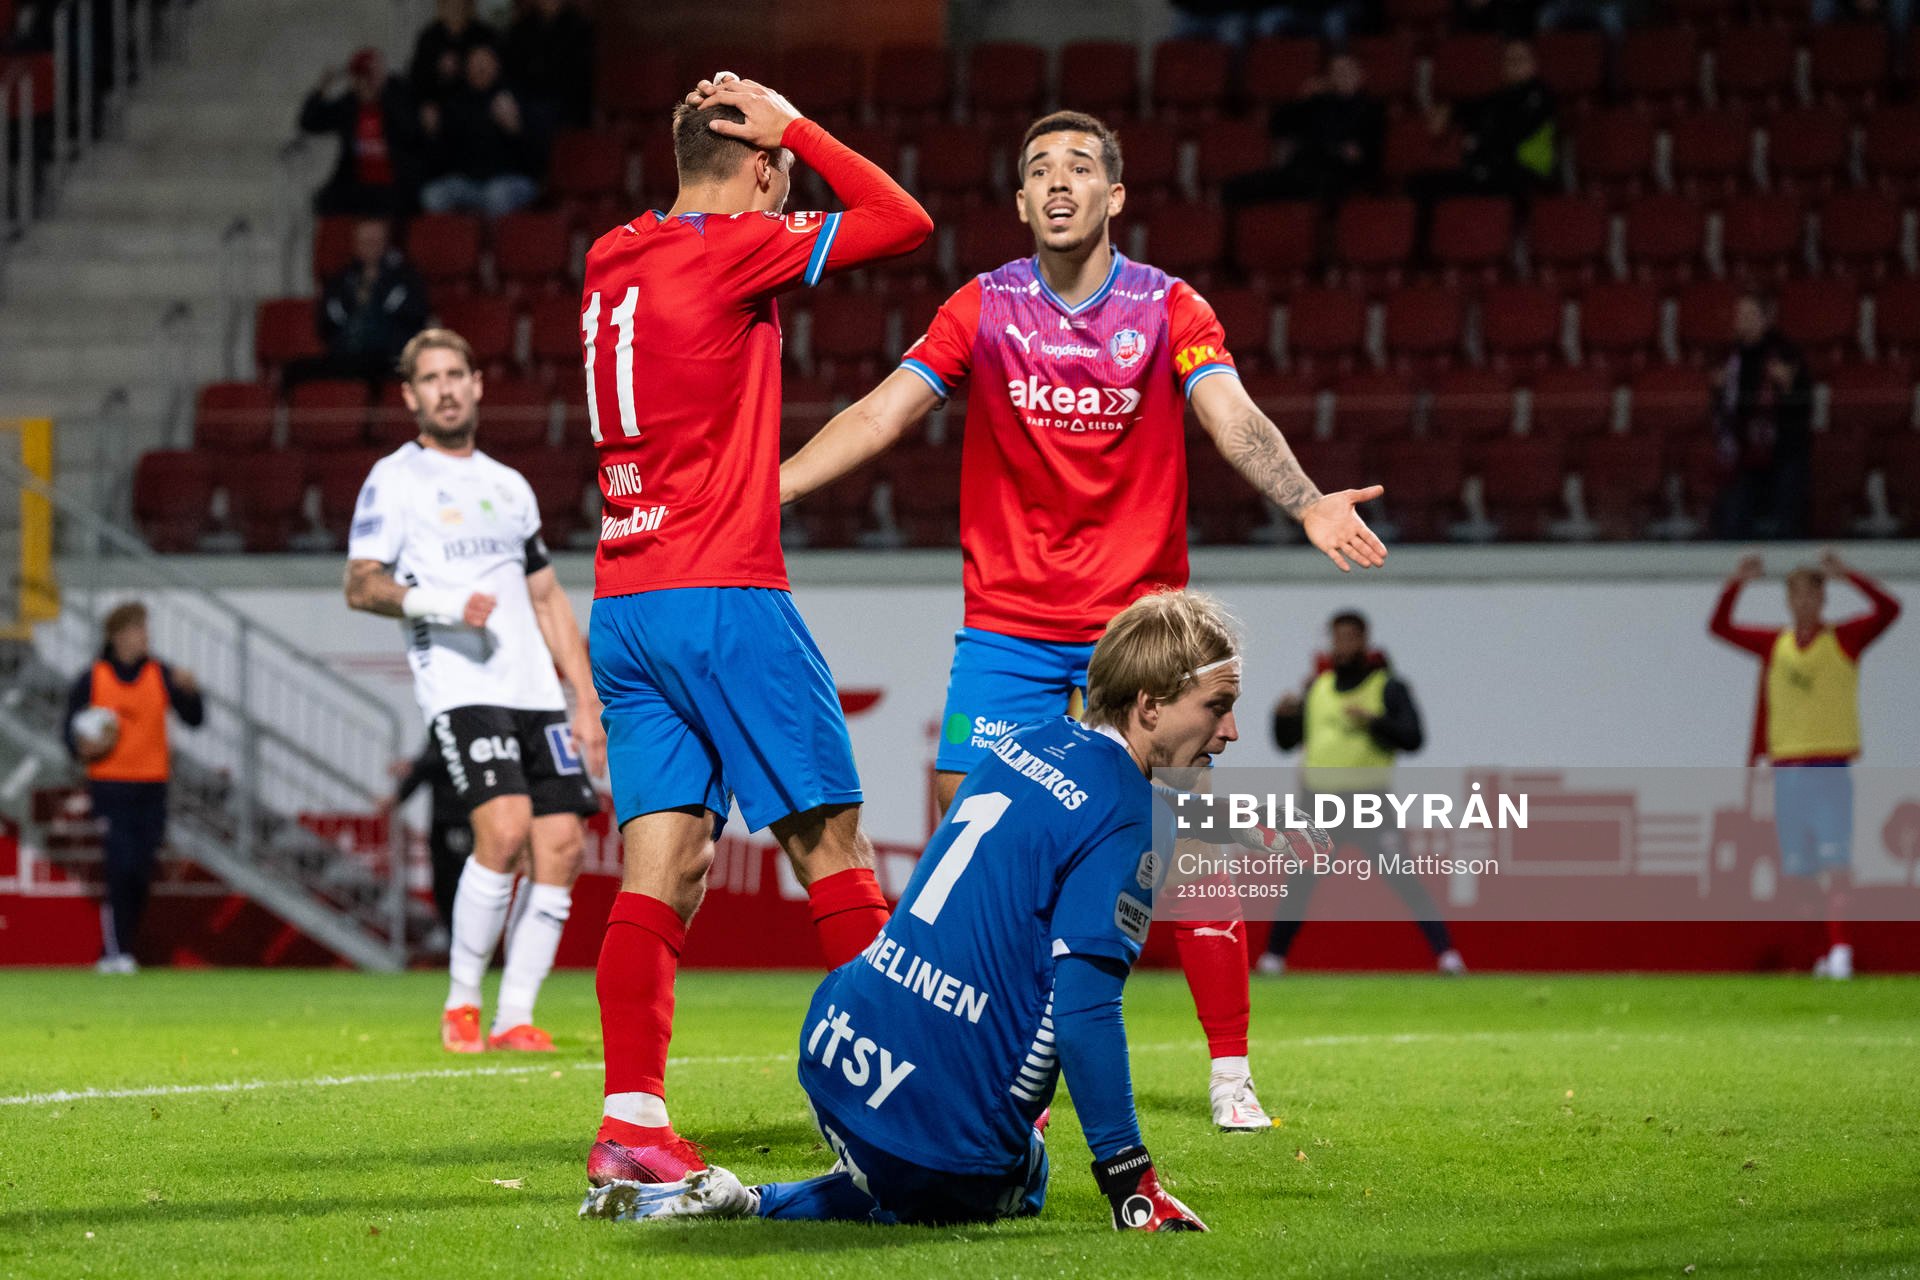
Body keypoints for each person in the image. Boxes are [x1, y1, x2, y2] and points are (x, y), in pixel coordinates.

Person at [779, 109, 1387, 1131]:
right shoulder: (982, 306)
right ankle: (998, 1058)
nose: (1059, 182)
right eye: (1038, 171)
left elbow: (1229, 411)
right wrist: (771, 488)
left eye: (1080, 168)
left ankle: (1230, 1069)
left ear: (1115, 195)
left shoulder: (1167, 306)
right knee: (969, 838)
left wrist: (1308, 498)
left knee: (1185, 844)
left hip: (1141, 630)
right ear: (1021, 203)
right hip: (1010, 625)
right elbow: (885, 408)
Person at [580, 589, 1240, 1231]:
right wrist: (1132, 1183)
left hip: (834, 1048)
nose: (1230, 732)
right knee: (1016, 1178)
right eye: (1218, 707)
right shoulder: (1131, 812)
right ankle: (784, 1196)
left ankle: (756, 1197)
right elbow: (1085, 1011)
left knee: (927, 1155)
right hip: (924, 1112)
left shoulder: (1027, 742)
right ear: (1150, 706)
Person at [579, 75, 932, 1187]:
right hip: (721, 590)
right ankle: (909, 1105)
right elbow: (903, 222)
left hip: (622, 601)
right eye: (777, 165)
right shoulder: (734, 244)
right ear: (762, 169)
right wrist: (803, 128)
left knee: (663, 867)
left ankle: (632, 1120)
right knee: (830, 843)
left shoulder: (608, 255)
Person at [345, 327, 605, 1052]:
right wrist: (440, 605)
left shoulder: (508, 485)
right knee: (506, 829)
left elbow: (548, 598)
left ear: (478, 383)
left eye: (457, 374)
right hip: (463, 686)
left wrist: (584, 700)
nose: (447, 388)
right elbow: (359, 585)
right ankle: (461, 1001)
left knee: (562, 847)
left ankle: (514, 1015)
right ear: (410, 396)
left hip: (535, 692)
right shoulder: (395, 478)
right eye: (431, 379)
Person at [1709, 550, 1901, 979]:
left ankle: (1842, 952)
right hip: (1787, 771)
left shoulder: (1844, 641)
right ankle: (1821, 953)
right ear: (1788, 601)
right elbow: (1719, 628)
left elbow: (1890, 610)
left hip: (1829, 768)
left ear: (1823, 599)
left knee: (1836, 866)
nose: (1804, 604)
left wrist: (1851, 574)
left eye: (1812, 595)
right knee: (1800, 874)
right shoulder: (1774, 645)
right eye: (1796, 596)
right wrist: (1735, 583)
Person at [1257, 610, 1464, 976]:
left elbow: (1414, 738)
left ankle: (1447, 955)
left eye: (1351, 636)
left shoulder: (1386, 686)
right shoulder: (1317, 687)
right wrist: (1282, 717)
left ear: (1365, 640)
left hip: (1369, 802)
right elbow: (1287, 743)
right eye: (1337, 637)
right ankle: (1273, 959)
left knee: (1403, 877)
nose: (1343, 644)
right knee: (1300, 883)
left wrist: (1375, 722)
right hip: (1320, 803)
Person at [63, 602, 205, 974]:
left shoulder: (162, 674)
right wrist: (82, 746)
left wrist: (192, 693)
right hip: (110, 786)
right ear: (118, 635)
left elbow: (195, 719)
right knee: (120, 864)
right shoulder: (93, 677)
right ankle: (115, 952)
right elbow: (69, 729)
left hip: (152, 786)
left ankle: (120, 949)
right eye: (139, 628)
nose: (146, 635)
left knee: (141, 870)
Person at [1711, 291, 1812, 541]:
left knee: (1786, 519)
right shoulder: (1729, 356)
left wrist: (1789, 385)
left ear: (1767, 318)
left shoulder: (1785, 353)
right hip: (1742, 450)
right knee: (1735, 518)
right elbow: (1722, 405)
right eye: (1740, 314)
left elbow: (1802, 402)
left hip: (1783, 449)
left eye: (1750, 314)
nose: (1743, 320)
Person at [1222, 53, 1385, 208]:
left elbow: (1364, 153)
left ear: (1361, 75)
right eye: (1336, 72)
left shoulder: (1371, 109)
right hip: (1303, 168)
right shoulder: (1319, 103)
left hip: (1339, 173)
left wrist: (1346, 151)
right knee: (1236, 187)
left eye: (1347, 71)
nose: (1342, 76)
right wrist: (1303, 99)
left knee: (1317, 188)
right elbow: (1277, 124)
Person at [289, 217, 430, 389]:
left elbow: (415, 317)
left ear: (386, 242)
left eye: (375, 241)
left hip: (388, 356)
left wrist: (377, 294)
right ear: (355, 243)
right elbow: (326, 322)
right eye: (365, 241)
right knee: (295, 371)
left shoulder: (405, 277)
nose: (370, 246)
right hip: (347, 354)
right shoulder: (342, 279)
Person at [418, 44, 544, 217]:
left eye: (485, 62)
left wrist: (514, 128)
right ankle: (455, 243)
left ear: (497, 65)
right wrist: (432, 133)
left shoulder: (515, 99)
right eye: (474, 63)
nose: (480, 68)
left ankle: (492, 244)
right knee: (432, 195)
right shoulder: (456, 104)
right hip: (468, 182)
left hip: (510, 180)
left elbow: (537, 160)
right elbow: (441, 160)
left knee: (496, 194)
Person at [298, 47, 421, 218]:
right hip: (359, 183)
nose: (364, 83)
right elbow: (309, 122)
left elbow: (412, 130)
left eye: (368, 77)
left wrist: (381, 95)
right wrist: (322, 87)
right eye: (359, 77)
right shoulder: (349, 104)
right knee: (325, 200)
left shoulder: (398, 94)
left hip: (393, 182)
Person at [382, 736, 468, 929]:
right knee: (442, 884)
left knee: (460, 883)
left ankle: (467, 940)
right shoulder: (438, 728)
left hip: (460, 819)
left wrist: (414, 765)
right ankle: (453, 938)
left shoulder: (465, 721)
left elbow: (442, 761)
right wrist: (398, 798)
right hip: (441, 820)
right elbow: (423, 770)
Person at [504, 0, 595, 132]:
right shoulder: (521, 28)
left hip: (565, 103)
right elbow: (512, 70)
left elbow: (580, 78)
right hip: (525, 99)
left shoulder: (579, 27)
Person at [409, 0, 500, 112]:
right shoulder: (429, 38)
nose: (456, 8)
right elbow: (416, 80)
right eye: (451, 4)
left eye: (461, 4)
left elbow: (498, 76)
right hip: (441, 106)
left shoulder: (484, 35)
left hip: (479, 104)